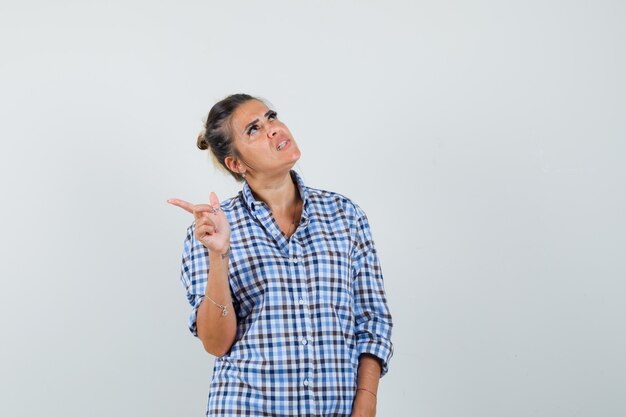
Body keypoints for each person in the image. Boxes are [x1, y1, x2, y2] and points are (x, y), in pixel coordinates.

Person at [167, 94, 393, 417]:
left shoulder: (345, 216)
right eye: (254, 130)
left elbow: (373, 320)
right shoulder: (211, 230)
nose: (273, 129)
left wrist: (366, 401)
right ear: (236, 164)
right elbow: (216, 344)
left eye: (271, 117)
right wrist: (219, 256)